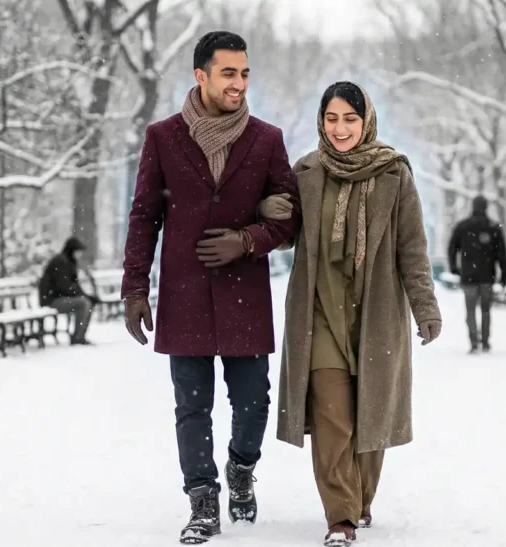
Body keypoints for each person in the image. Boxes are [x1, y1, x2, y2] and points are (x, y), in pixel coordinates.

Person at [120, 31, 301, 545]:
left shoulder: (267, 139)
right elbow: (144, 215)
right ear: (201, 76)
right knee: (191, 406)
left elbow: (289, 217)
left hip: (245, 292)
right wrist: (135, 289)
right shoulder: (162, 137)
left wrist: (248, 240)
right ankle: (203, 499)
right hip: (185, 292)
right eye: (229, 73)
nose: (239, 83)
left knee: (254, 402)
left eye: (244, 73)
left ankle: (241, 469)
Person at [263, 81, 441, 547]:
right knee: (331, 413)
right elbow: (283, 233)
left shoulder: (394, 174)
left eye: (350, 118)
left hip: (376, 311)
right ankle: (339, 516)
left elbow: (411, 249)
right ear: (321, 121)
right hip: (320, 312)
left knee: (371, 414)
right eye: (332, 118)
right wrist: (267, 208)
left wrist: (425, 307)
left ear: (367, 122)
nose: (340, 128)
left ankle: (360, 499)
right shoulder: (305, 172)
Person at [447, 194, 506, 353]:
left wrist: (454, 267)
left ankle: (474, 341)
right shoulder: (493, 227)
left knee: (470, 310)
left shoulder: (463, 226)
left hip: (468, 276)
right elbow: (501, 254)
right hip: (488, 276)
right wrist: (505, 274)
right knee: (486, 310)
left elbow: (452, 248)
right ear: (486, 207)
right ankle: (486, 341)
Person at [37, 236, 99, 345]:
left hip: (60, 298)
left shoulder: (69, 262)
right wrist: (84, 296)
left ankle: (80, 336)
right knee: (84, 303)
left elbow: (73, 286)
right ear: (72, 251)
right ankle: (77, 338)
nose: (80, 255)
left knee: (88, 302)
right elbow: (64, 287)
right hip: (51, 300)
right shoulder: (61, 262)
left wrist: (87, 296)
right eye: (78, 251)